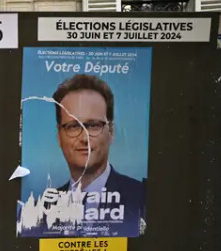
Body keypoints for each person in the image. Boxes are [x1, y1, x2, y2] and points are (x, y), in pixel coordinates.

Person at [19, 73, 146, 237]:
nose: (84, 138)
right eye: (73, 126)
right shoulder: (35, 214)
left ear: (111, 131)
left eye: (93, 125)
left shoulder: (142, 197)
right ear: (59, 136)